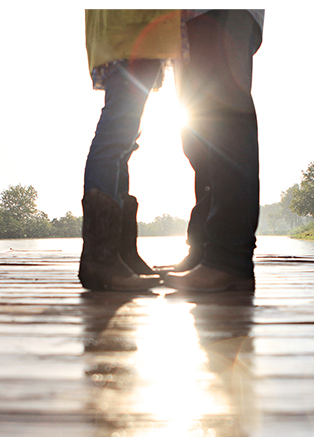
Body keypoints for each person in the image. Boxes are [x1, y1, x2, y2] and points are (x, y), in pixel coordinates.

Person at [79, 9, 181, 291]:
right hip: (133, 30)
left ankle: (120, 254)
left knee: (124, 139)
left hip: (133, 32)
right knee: (116, 134)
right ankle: (101, 259)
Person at [164, 9, 264, 293]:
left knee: (224, 118)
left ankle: (228, 259)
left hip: (220, 12)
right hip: (183, 23)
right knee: (196, 138)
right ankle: (203, 251)